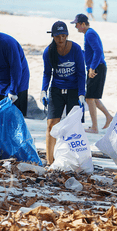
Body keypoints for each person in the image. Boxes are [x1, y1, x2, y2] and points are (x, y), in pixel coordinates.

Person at [40, 21, 86, 165]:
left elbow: (81, 73)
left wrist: (81, 94)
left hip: (73, 90)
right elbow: (47, 73)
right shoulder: (49, 51)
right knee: (51, 124)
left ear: (67, 35)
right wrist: (43, 90)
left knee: (73, 125)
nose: (61, 39)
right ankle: (49, 161)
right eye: (58, 36)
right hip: (56, 90)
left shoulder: (76, 49)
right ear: (53, 36)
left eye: (64, 36)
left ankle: (74, 160)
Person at [71, 14, 113, 134]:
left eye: (77, 24)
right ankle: (109, 117)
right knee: (93, 98)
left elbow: (98, 51)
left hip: (97, 68)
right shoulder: (88, 34)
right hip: (96, 67)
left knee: (89, 98)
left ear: (83, 24)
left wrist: (92, 68)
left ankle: (94, 127)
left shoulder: (90, 33)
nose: (76, 27)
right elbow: (90, 52)